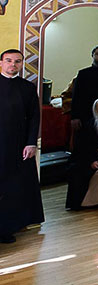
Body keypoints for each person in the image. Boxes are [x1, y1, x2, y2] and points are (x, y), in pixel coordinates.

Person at [0, 49, 43, 243]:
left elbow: (34, 117)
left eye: (17, 61)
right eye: (9, 60)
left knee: (14, 187)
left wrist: (31, 142)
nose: (13, 64)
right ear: (1, 63)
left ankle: (8, 228)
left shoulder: (27, 87)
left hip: (18, 145)